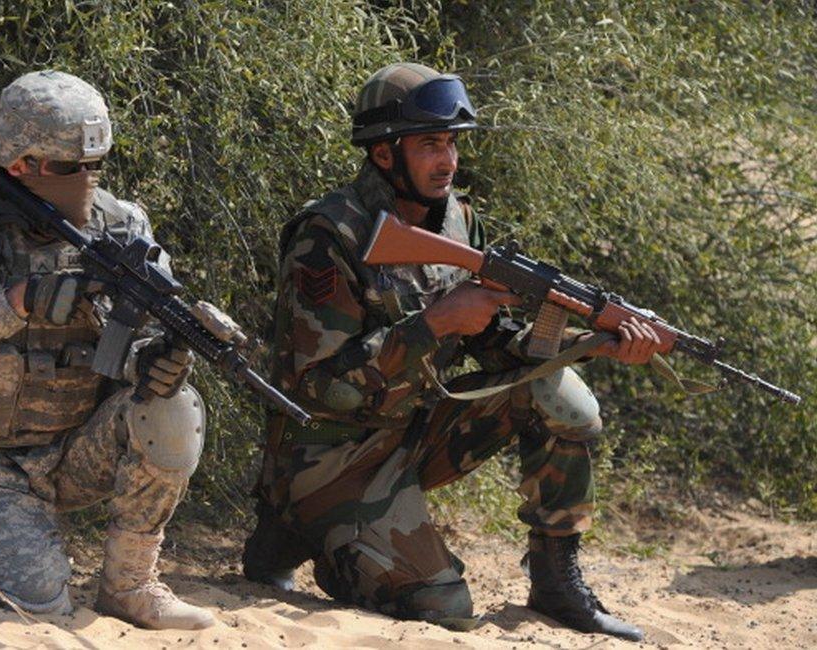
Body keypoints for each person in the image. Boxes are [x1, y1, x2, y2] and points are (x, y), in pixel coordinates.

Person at [241, 62, 659, 641]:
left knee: (558, 395)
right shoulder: (330, 235)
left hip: (411, 431)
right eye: (431, 144)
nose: (449, 161)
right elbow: (316, 387)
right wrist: (434, 323)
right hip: (328, 457)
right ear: (384, 153)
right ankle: (298, 530)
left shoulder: (459, 221)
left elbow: (497, 346)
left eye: (454, 143)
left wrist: (591, 342)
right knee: (444, 606)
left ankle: (557, 585)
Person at [0, 70, 214, 630]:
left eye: (96, 166)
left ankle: (130, 584)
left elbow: (124, 346)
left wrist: (152, 361)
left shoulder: (122, 226)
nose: (87, 180)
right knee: (37, 605)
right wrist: (15, 304)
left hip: (78, 450)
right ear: (20, 164)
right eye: (70, 168)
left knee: (175, 405)